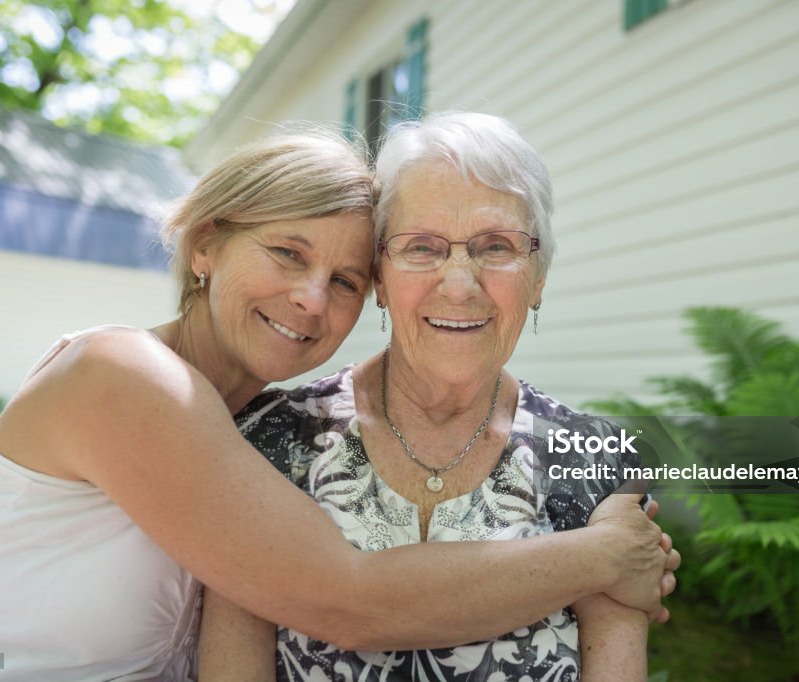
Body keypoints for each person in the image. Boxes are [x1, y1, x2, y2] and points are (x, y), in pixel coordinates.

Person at [0, 125, 678, 681]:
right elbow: (347, 601)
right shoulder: (125, 376)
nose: (312, 300)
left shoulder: (238, 424)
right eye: (286, 253)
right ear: (207, 245)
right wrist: (603, 556)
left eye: (345, 280)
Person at [202, 113, 669, 681]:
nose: (458, 283)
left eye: (496, 246)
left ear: (538, 277)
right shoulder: (271, 438)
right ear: (380, 275)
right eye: (421, 247)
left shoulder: (594, 459)